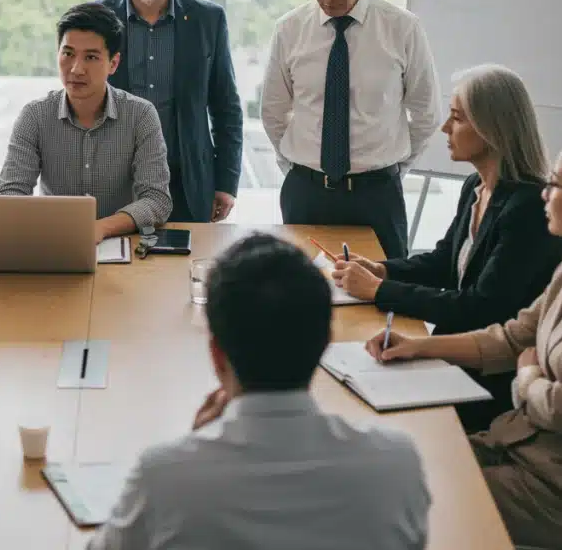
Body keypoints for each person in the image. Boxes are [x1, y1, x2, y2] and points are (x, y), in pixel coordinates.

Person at [367, 128, 562, 548]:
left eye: (555, 185)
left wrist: (528, 374)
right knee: (388, 465)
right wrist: (418, 347)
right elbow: (512, 338)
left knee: (399, 496)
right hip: (517, 450)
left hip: (557, 492)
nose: (544, 194)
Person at [89, 233, 430, 549]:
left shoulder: (163, 477)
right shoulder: (397, 464)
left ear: (216, 354)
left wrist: (192, 450)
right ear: (325, 343)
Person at [332, 65, 562, 432]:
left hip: (487, 379)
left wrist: (379, 290)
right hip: (455, 356)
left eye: (456, 118)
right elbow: (444, 261)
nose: (444, 128)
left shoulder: (529, 210)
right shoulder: (476, 186)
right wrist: (384, 269)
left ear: (491, 127)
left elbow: (479, 307)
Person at [261, 0, 440, 259]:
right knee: (299, 287)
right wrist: (300, 168)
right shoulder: (289, 29)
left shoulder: (402, 28)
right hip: (306, 194)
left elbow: (426, 113)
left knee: (385, 287)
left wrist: (390, 169)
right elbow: (272, 112)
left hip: (376, 196)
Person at [98, 0, 243, 223]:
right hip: (116, 183)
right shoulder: (97, 18)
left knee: (190, 256)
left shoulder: (208, 19)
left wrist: (226, 183)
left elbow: (226, 107)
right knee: (116, 256)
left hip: (188, 184)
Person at [0, 3, 172, 243]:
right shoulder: (34, 116)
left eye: (91, 57)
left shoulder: (140, 115)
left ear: (113, 63)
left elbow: (157, 199)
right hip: (53, 242)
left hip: (120, 243)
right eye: (68, 54)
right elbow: (10, 194)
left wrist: (101, 228)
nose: (77, 69)